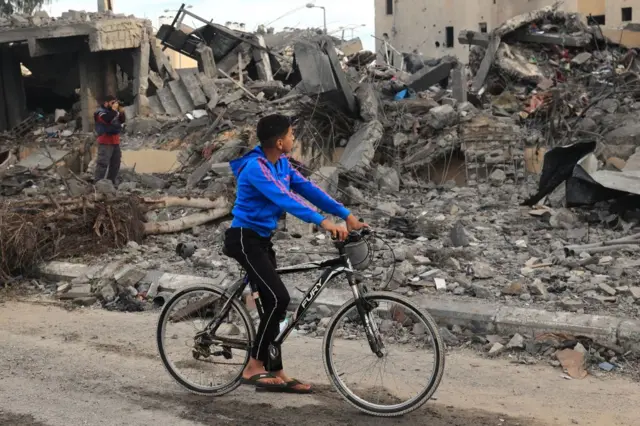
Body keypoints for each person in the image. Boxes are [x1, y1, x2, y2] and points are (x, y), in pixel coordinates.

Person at [223, 114, 367, 394]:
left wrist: (345, 214)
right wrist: (324, 222)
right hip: (243, 239)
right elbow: (285, 198)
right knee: (279, 298)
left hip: (262, 240)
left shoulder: (282, 164)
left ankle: (276, 372)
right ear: (279, 142)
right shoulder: (256, 168)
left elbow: (308, 189)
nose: (294, 139)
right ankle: (253, 367)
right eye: (291, 135)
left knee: (272, 309)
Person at [94, 95, 125, 184]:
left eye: (115, 102)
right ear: (106, 103)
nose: (114, 104)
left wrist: (122, 112)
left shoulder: (114, 112)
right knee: (103, 164)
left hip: (115, 141)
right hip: (105, 142)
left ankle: (110, 182)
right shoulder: (99, 112)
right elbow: (107, 119)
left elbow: (122, 121)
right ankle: (98, 184)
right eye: (112, 102)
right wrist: (114, 110)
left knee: (116, 163)